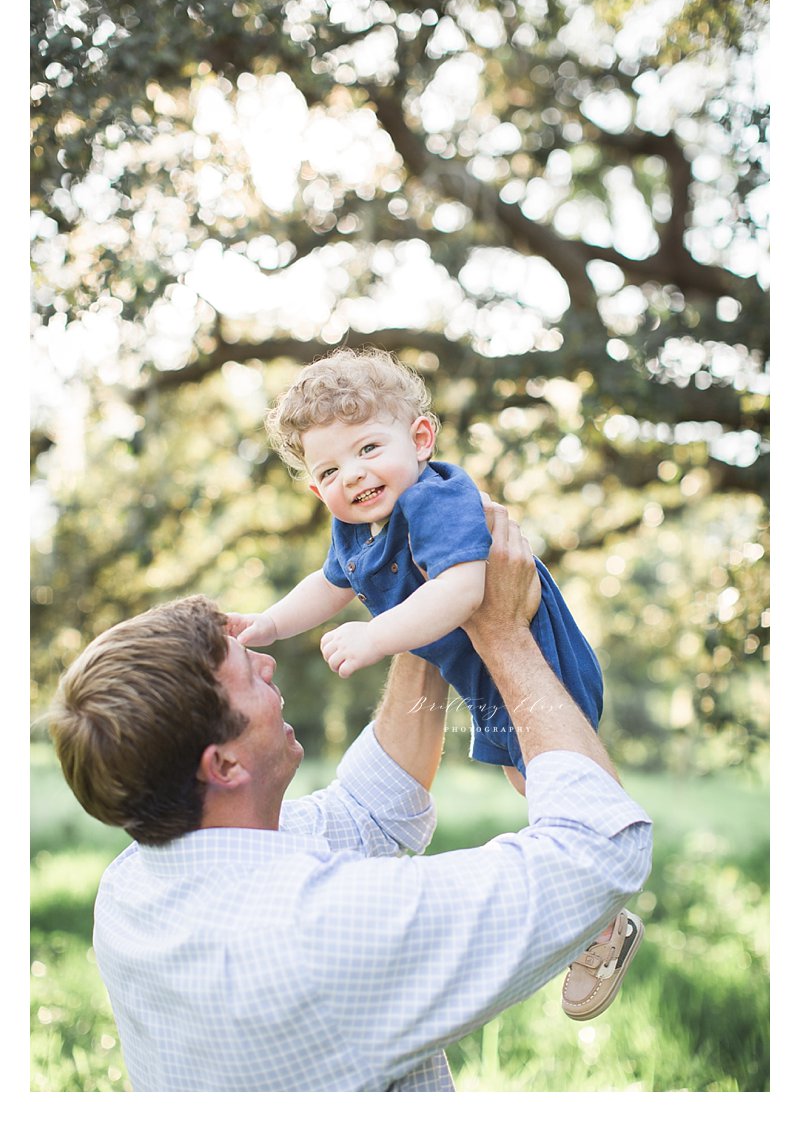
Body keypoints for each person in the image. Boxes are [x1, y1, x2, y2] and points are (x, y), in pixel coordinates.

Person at [49, 503, 652, 1092]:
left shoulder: (131, 886)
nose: (267, 665)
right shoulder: (317, 931)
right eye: (247, 674)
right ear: (224, 764)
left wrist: (421, 596)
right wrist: (503, 633)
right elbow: (599, 853)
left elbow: (371, 810)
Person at [227, 347, 642, 1019]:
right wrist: (270, 623)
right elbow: (329, 585)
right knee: (526, 777)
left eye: (368, 448)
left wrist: (376, 636)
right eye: (329, 470)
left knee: (550, 776)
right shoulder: (357, 527)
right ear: (315, 489)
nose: (353, 474)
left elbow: (462, 590)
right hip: (483, 674)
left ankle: (603, 916)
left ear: (420, 439)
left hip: (536, 656)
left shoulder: (435, 497)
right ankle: (599, 911)